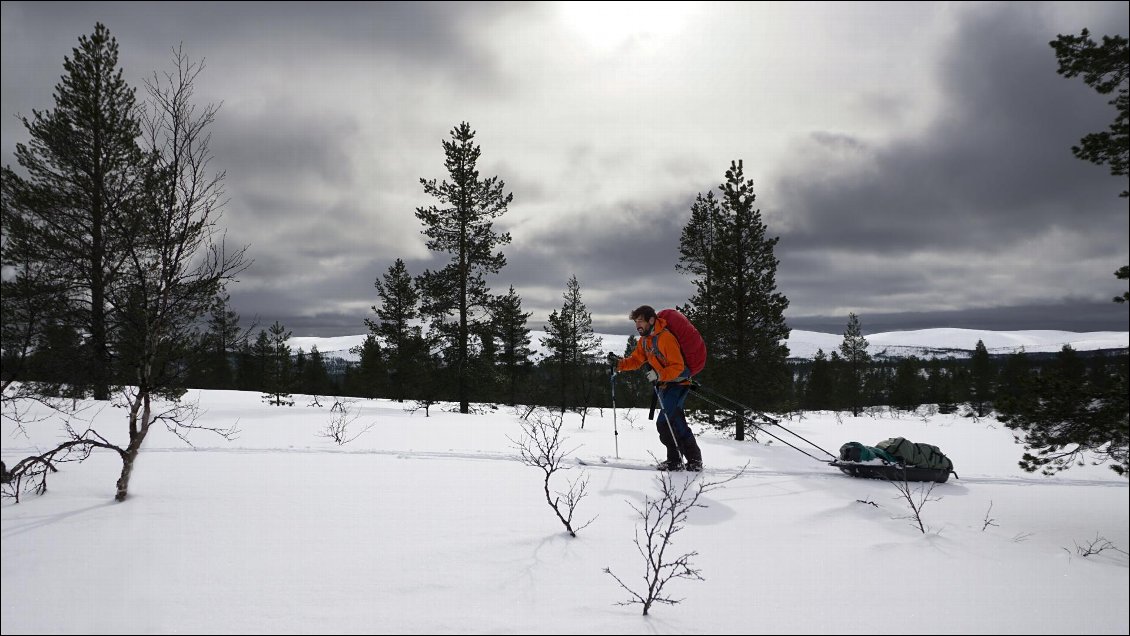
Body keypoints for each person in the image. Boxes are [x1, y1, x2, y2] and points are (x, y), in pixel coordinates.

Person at [609, 305, 704, 471]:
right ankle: (692, 461)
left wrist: (659, 375)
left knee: (664, 422)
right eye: (636, 321)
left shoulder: (665, 338)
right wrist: (619, 364)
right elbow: (636, 360)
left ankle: (676, 461)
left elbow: (678, 366)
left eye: (640, 321)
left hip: (678, 383)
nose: (638, 325)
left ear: (651, 320)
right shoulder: (645, 341)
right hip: (666, 385)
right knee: (675, 420)